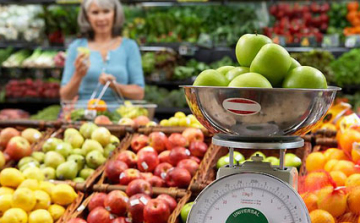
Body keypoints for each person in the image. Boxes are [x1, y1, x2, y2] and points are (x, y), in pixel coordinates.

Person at [60, 0, 145, 102]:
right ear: (87, 17)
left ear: (115, 14)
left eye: (106, 11)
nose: (101, 18)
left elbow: (139, 93)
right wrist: (78, 74)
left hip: (119, 115)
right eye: (95, 12)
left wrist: (114, 85)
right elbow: (65, 97)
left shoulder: (129, 46)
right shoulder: (76, 47)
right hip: (84, 113)